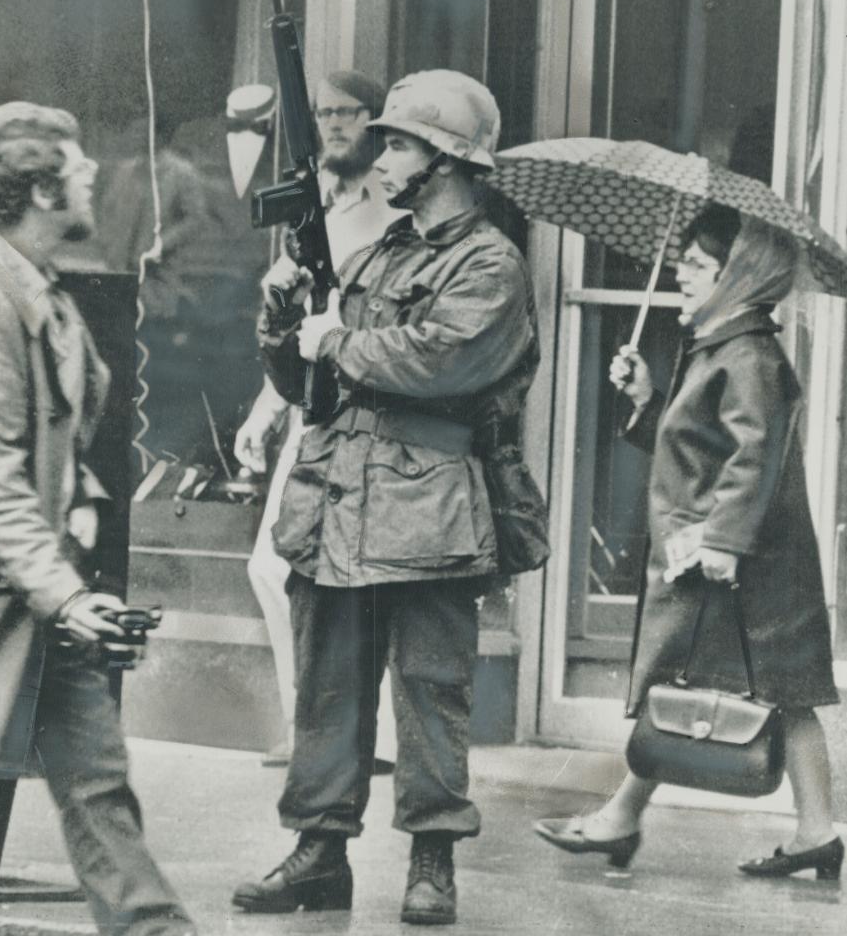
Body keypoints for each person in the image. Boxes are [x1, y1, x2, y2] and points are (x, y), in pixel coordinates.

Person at [232, 70, 538, 925]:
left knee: (430, 692)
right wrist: (283, 316)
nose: (382, 154)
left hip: (430, 504)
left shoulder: (491, 263)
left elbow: (447, 362)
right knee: (327, 687)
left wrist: (342, 339)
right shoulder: (374, 253)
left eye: (399, 141)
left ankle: (432, 860)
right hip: (337, 498)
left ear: (442, 159)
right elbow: (305, 384)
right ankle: (319, 852)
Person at [0, 103, 196, 935]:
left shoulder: (29, 285)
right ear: (40, 189)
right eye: (75, 168)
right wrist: (69, 597)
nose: (92, 176)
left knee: (99, 788)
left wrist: (77, 530)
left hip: (23, 598)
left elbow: (53, 443)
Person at [536, 206, 841, 879]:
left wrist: (724, 543)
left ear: (737, 275)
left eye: (697, 265)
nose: (681, 273)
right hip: (741, 558)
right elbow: (700, 451)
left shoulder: (747, 354)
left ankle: (619, 817)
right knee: (770, 689)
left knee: (691, 682)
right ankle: (815, 831)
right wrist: (647, 401)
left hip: (737, 561)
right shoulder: (725, 347)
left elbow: (753, 456)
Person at [234, 70, 399, 768]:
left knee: (364, 575)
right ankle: (309, 723)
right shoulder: (319, 208)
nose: (334, 124)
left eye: (347, 112)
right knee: (273, 568)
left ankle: (372, 738)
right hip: (312, 405)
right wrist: (266, 409)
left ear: (375, 119)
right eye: (324, 113)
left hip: (373, 409)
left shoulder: (396, 210)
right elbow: (295, 319)